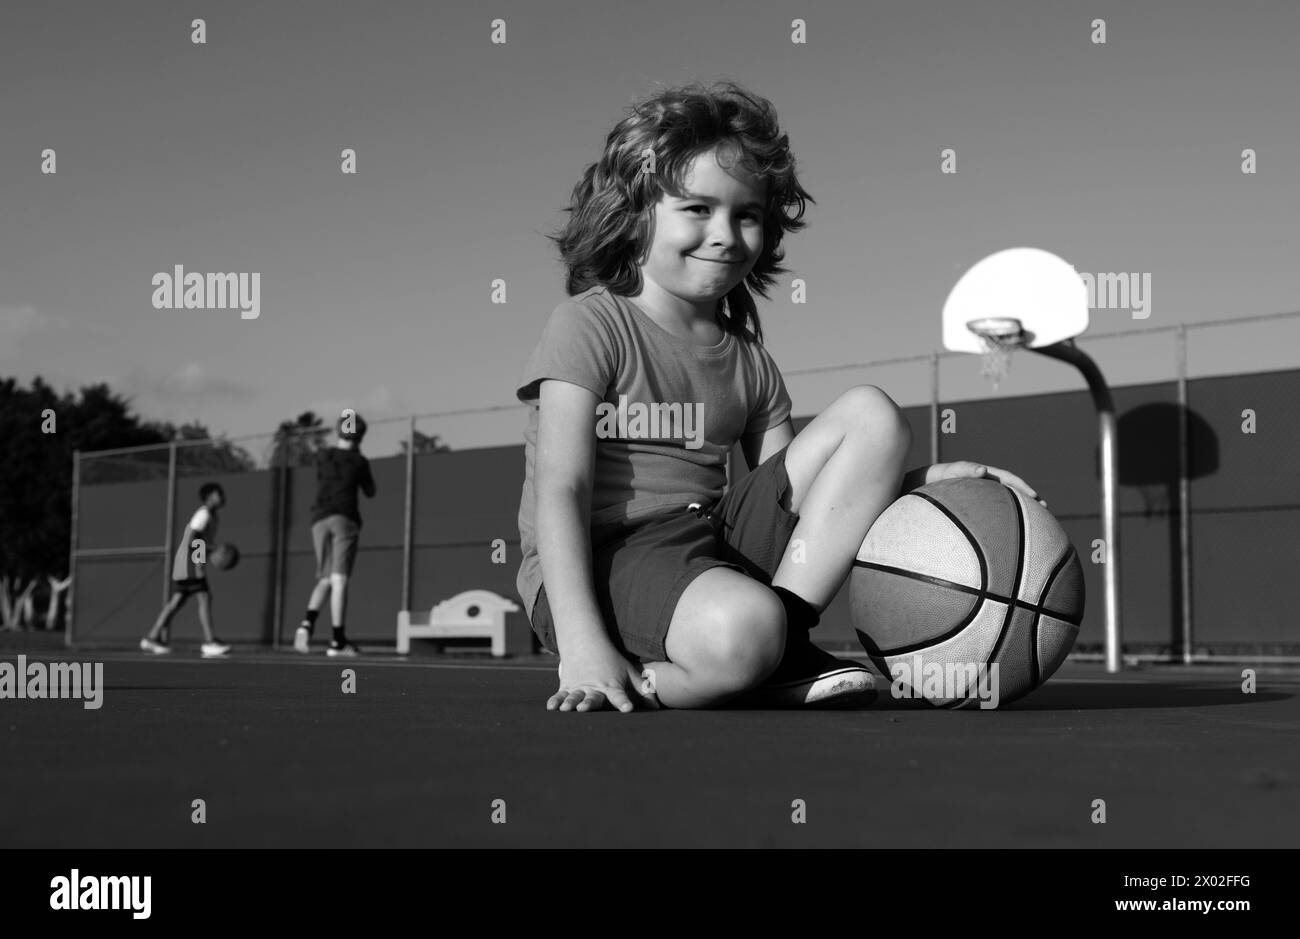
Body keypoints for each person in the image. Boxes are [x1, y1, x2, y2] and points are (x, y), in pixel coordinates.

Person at [515, 81, 1041, 712]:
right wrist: (581, 644)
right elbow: (561, 489)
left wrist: (925, 481)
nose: (726, 233)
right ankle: (668, 673)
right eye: (697, 208)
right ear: (636, 213)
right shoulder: (589, 325)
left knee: (870, 414)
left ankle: (782, 642)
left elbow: (802, 509)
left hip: (707, 541)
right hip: (602, 559)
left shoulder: (750, 361)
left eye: (747, 214)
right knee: (743, 631)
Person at [294, 412, 375, 657]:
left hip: (318, 518)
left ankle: (306, 623)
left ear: (339, 431)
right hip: (344, 518)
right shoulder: (359, 461)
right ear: (360, 436)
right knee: (339, 580)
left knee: (326, 578)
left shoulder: (323, 456)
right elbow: (370, 491)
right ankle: (337, 641)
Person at [140, 482, 233, 657]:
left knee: (177, 602)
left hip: (187, 562)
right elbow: (191, 538)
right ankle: (209, 641)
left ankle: (152, 638)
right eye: (218, 493)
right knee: (204, 597)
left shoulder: (212, 516)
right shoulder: (203, 515)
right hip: (190, 562)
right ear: (209, 497)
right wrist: (203, 560)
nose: (222, 496)